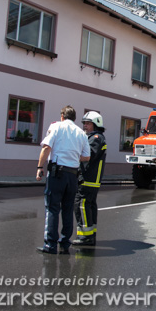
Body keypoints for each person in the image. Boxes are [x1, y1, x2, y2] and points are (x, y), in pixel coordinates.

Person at [36, 105, 90, 254]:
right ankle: (65, 243)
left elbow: (46, 147)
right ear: (74, 118)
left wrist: (39, 167)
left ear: (62, 116)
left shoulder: (56, 127)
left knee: (52, 208)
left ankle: (50, 245)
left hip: (57, 173)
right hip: (72, 175)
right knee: (67, 209)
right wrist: (72, 156)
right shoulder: (81, 133)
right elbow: (86, 157)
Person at [73, 111, 107, 246]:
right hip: (90, 178)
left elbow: (88, 156)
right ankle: (90, 234)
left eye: (88, 123)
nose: (85, 126)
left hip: (89, 178)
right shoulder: (93, 137)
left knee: (81, 204)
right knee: (89, 205)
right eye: (84, 123)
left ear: (96, 124)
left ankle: (86, 237)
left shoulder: (96, 138)